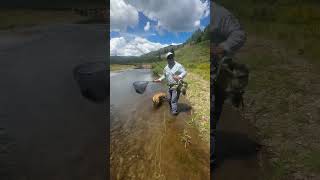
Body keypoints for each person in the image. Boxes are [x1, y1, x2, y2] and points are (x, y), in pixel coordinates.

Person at [211, 2, 247, 168]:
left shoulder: (218, 12)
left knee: (209, 120)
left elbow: (239, 34)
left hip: (216, 75)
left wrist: (222, 48)